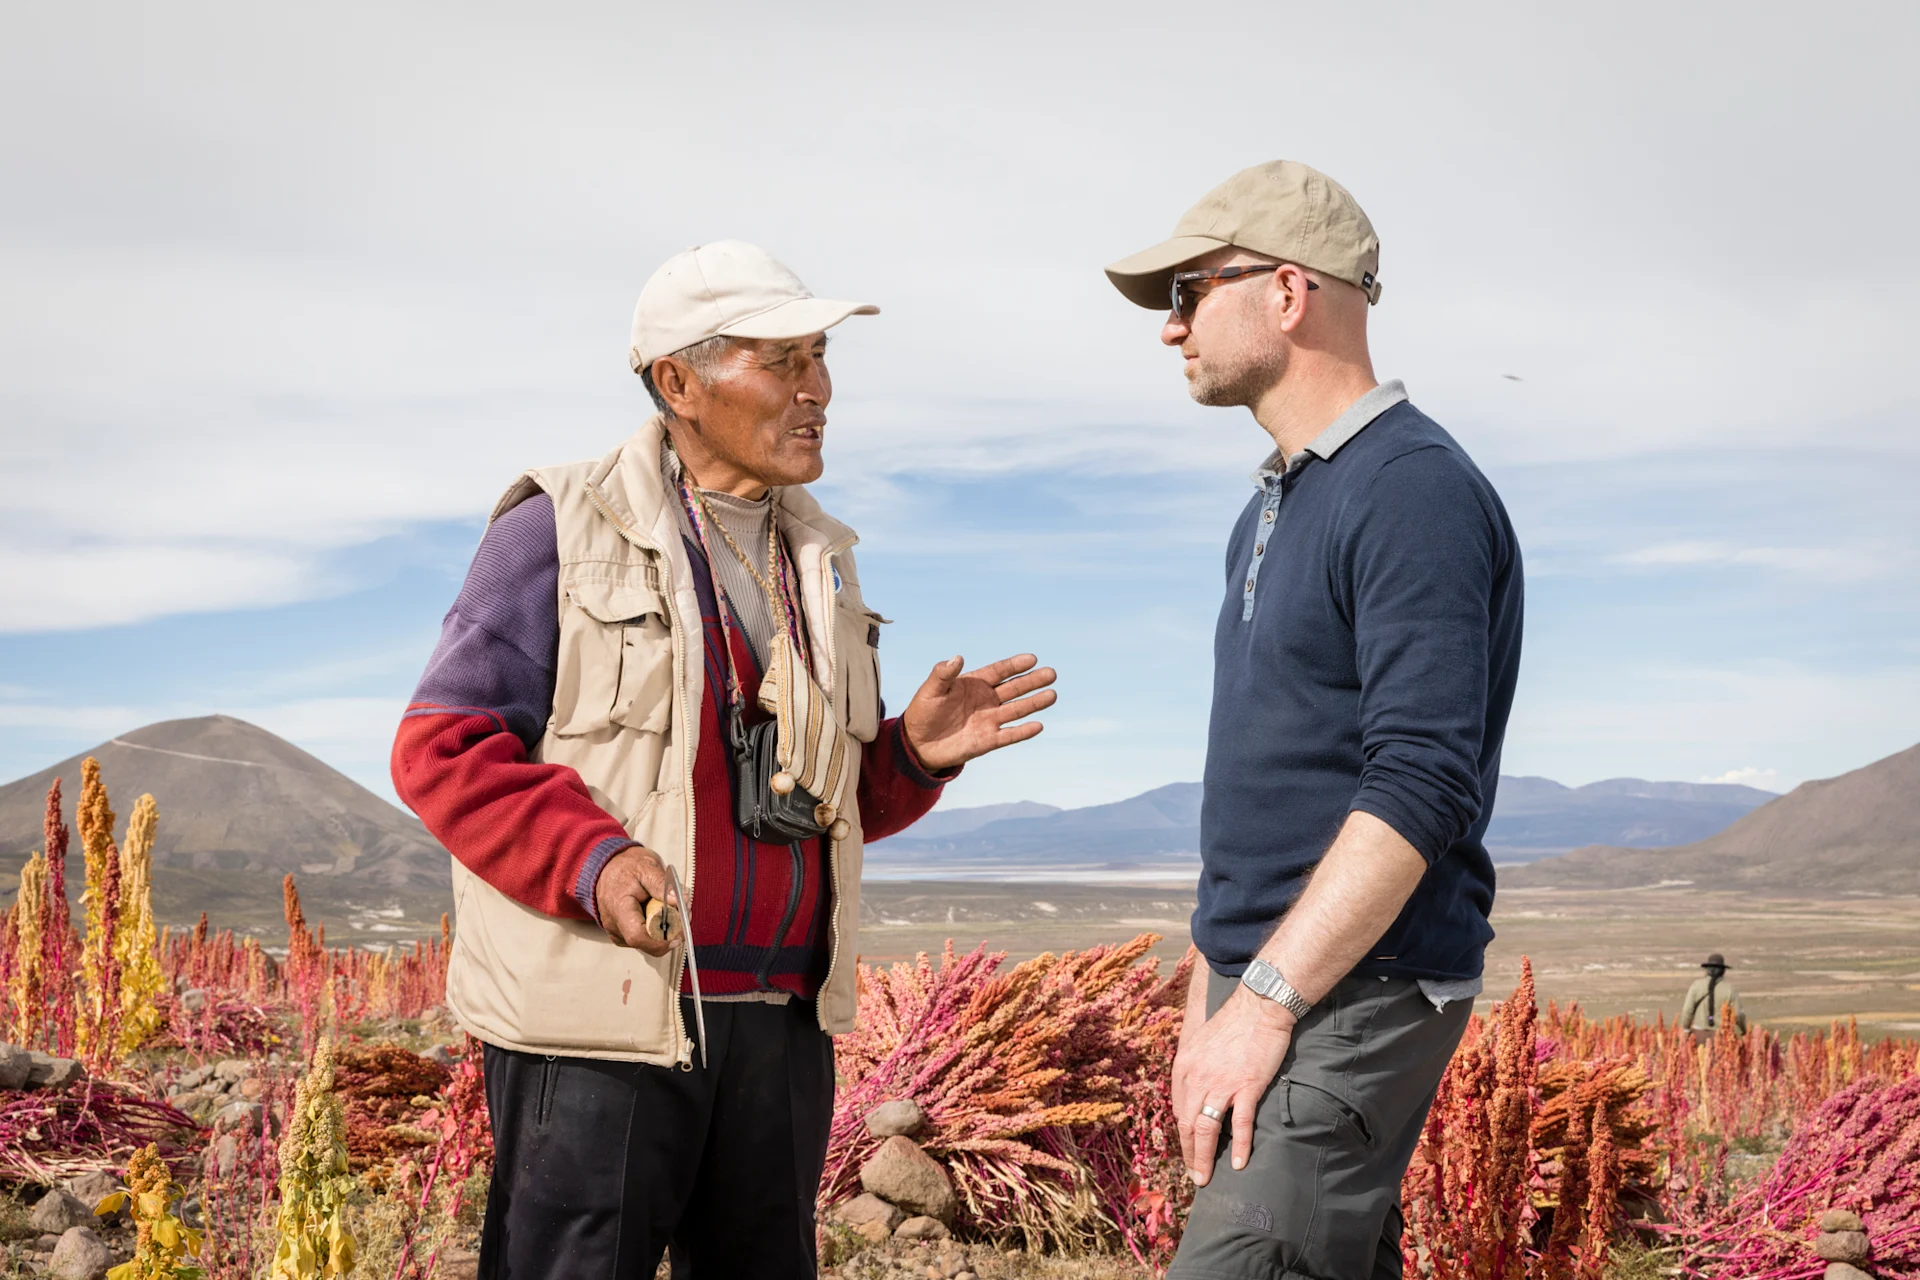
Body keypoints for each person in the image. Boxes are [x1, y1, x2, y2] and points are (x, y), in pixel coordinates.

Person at [391, 240, 1057, 1279]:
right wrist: (594, 861)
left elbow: (808, 806)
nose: (819, 389)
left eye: (821, 357)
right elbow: (443, 747)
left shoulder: (821, 562)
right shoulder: (558, 527)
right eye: (782, 361)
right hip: (601, 1026)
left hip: (778, 1034)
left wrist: (910, 760)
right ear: (678, 382)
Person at [1104, 161, 1524, 1279]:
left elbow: (1422, 782)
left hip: (1356, 989)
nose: (1172, 327)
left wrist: (1266, 1002)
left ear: (1288, 293)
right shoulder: (1270, 509)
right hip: (1280, 989)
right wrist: (1210, 999)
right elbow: (1264, 791)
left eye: (1192, 291)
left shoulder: (1412, 488)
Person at [1679, 952, 1746, 1042]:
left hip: (1698, 1034)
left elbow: (1687, 1010)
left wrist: (1686, 1029)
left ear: (1707, 970)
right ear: (1723, 971)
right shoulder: (1729, 989)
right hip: (1722, 1036)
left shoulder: (1696, 985)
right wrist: (1743, 1031)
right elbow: (1738, 1014)